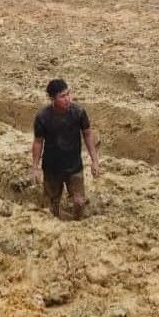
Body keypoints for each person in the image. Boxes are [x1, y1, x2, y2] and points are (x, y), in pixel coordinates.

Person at [31, 79, 101, 220]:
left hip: (74, 166)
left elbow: (87, 134)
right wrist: (35, 167)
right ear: (52, 99)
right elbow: (38, 142)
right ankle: (54, 224)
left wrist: (95, 161)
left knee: (79, 202)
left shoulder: (79, 112)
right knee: (51, 204)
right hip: (51, 167)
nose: (67, 98)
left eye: (68, 94)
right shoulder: (43, 117)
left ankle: (78, 224)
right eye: (62, 96)